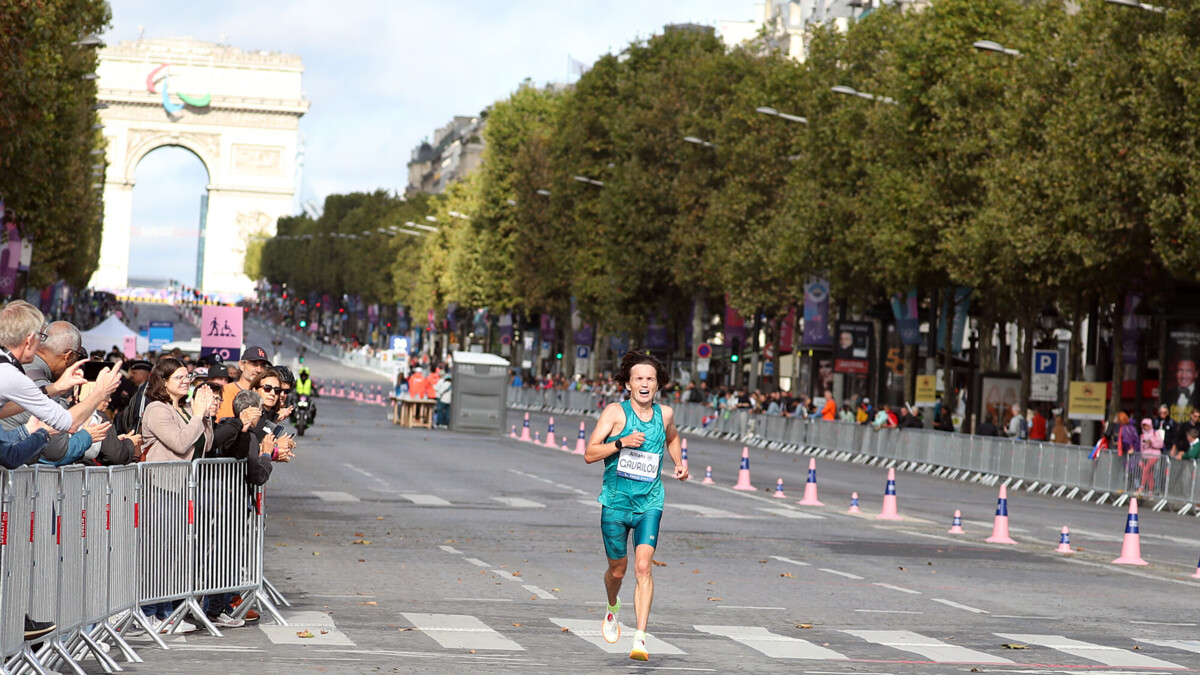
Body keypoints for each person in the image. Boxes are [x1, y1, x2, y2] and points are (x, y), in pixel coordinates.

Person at [584, 352, 687, 662]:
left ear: (658, 385)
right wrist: (621, 443)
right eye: (639, 378)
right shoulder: (615, 412)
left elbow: (672, 437)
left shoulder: (665, 413)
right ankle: (613, 607)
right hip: (615, 503)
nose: (645, 384)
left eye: (650, 379)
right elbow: (590, 453)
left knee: (643, 567)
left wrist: (680, 463)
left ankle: (640, 637)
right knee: (619, 570)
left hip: (649, 502)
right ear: (627, 383)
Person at [139, 358, 216, 632]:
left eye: (188, 377)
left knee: (174, 554)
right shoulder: (156, 410)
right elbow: (181, 443)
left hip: (184, 488)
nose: (186, 381)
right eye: (180, 378)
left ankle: (165, 613)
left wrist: (204, 416)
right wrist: (198, 416)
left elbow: (204, 445)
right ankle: (148, 611)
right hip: (161, 487)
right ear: (164, 381)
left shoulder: (184, 409)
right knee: (157, 552)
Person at [216, 346, 271, 420]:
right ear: (241, 365)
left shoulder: (266, 392)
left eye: (263, 365)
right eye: (254, 364)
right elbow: (223, 423)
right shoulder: (226, 390)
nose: (259, 370)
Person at [1139, 418, 1163, 493]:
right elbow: (1141, 447)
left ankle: (1142, 486)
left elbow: (1160, 444)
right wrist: (1141, 458)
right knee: (1150, 473)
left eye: (1147, 425)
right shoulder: (1142, 435)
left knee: (1146, 469)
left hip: (1155, 455)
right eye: (1144, 426)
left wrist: (1151, 443)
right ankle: (1150, 491)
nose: (1145, 427)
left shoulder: (1156, 433)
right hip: (1146, 456)